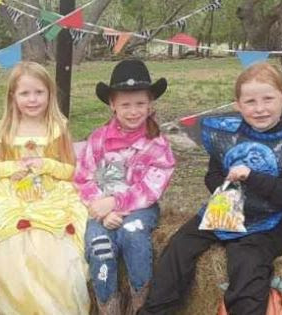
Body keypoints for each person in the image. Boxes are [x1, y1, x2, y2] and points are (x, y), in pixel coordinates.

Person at [140, 63, 282, 315]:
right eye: (251, 101)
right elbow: (212, 176)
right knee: (178, 249)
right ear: (238, 105)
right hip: (225, 210)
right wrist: (225, 188)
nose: (260, 108)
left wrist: (252, 177)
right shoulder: (227, 135)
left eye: (268, 99)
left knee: (247, 265)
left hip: (272, 221)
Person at [0, 61, 90, 314]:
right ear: (13, 96)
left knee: (46, 246)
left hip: (49, 195)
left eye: (39, 92)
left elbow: (71, 170)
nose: (32, 99)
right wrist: (12, 169)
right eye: (25, 93)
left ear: (49, 94)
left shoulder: (57, 126)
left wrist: (47, 164)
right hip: (11, 192)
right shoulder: (6, 128)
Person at [74, 59, 176, 314]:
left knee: (133, 234)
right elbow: (83, 178)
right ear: (112, 104)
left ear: (150, 103)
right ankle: (108, 304)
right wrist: (103, 210)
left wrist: (116, 203)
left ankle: (140, 302)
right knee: (99, 244)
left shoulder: (157, 144)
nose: (133, 111)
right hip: (102, 208)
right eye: (125, 104)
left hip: (141, 209)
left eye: (140, 104)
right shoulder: (98, 139)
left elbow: (151, 188)